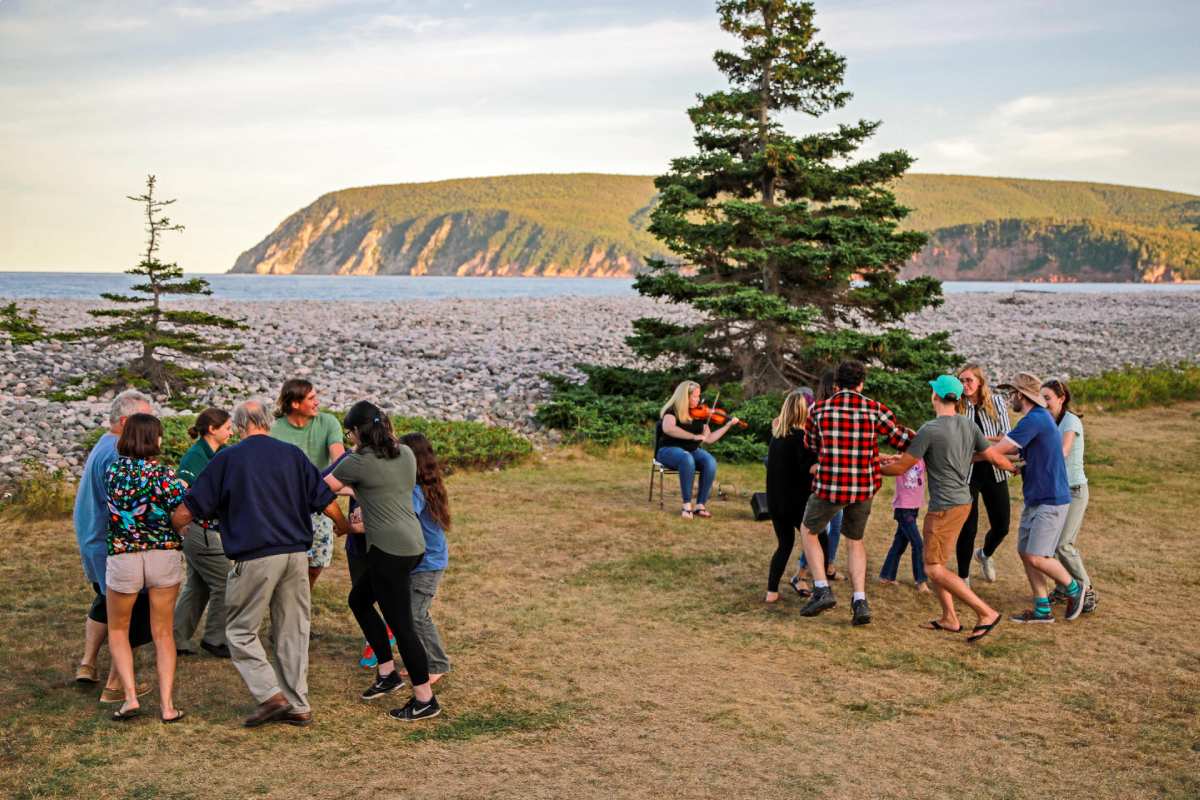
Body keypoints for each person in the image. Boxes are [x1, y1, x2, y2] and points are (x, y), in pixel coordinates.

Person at [172, 399, 351, 728]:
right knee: (292, 629)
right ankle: (298, 704)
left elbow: (190, 508)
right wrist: (342, 526)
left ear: (240, 426)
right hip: (296, 554)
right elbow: (326, 501)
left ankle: (271, 695)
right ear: (268, 422)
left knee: (240, 630)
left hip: (255, 555)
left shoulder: (228, 458)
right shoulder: (292, 455)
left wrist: (174, 522)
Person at [325, 402, 441, 721]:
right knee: (359, 600)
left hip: (387, 550)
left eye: (350, 433)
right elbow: (382, 487)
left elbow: (323, 489)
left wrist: (342, 520)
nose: (349, 439)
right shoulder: (404, 453)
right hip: (412, 544)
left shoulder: (357, 462)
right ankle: (387, 673)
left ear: (358, 431)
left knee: (402, 626)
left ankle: (424, 699)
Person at [882, 376, 1014, 643]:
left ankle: (985, 612)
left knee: (932, 568)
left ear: (935, 396)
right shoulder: (968, 424)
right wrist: (1015, 467)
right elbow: (992, 457)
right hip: (963, 501)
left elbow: (901, 467)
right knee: (937, 561)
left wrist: (863, 466)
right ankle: (950, 618)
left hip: (944, 507)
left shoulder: (930, 429)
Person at [797, 360, 914, 626]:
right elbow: (900, 439)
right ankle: (859, 600)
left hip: (829, 485)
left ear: (836, 384)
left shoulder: (819, 409)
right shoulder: (875, 409)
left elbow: (810, 444)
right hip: (863, 486)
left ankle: (821, 588)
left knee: (809, 530)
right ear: (861, 384)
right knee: (855, 540)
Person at [982, 373, 1086, 624]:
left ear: (1021, 395)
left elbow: (996, 451)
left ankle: (1075, 588)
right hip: (1037, 496)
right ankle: (1042, 609)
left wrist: (960, 452)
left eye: (1011, 394)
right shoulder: (1038, 419)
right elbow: (1018, 453)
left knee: (1038, 556)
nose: (1009, 399)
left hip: (1050, 498)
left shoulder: (1035, 419)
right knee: (1026, 552)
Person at [72, 389, 155, 703]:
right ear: (124, 421)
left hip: (93, 539)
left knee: (103, 604)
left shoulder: (104, 443)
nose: (151, 422)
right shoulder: (118, 453)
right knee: (130, 611)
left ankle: (87, 663)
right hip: (110, 545)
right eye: (145, 417)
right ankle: (116, 684)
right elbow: (126, 507)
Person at [104, 413, 188, 722]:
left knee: (118, 629)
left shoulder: (111, 471)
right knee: (163, 632)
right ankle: (167, 706)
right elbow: (183, 506)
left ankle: (129, 698)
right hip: (162, 553)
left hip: (123, 555)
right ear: (155, 439)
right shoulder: (163, 474)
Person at [270, 378, 346, 588]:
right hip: (286, 505)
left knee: (316, 563)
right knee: (286, 561)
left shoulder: (328, 422)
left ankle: (304, 594)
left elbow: (339, 460)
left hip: (319, 501)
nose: (317, 402)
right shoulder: (275, 429)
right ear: (295, 404)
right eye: (311, 398)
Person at [173, 407, 233, 658]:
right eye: (227, 427)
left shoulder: (219, 452)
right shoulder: (196, 456)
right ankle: (215, 638)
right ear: (212, 429)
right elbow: (181, 491)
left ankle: (176, 638)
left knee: (197, 586)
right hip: (200, 531)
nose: (231, 431)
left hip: (207, 530)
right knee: (226, 582)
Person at [401, 432, 452, 683]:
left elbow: (403, 516)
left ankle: (437, 663)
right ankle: (422, 660)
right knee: (413, 613)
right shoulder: (427, 484)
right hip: (422, 561)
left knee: (416, 614)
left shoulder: (416, 491)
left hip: (428, 564)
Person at [955, 364, 1014, 584]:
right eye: (961, 381)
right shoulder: (957, 405)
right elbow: (957, 441)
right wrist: (990, 439)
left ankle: (985, 554)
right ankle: (963, 575)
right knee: (967, 526)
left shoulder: (996, 402)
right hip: (966, 472)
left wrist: (979, 441)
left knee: (1002, 525)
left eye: (969, 380)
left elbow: (1008, 438)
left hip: (994, 470)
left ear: (980, 381)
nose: (965, 385)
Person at [1042, 378, 1096, 613]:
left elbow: (1062, 451)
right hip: (1056, 491)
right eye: (1040, 398)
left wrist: (1033, 458)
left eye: (1048, 398)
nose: (1043, 403)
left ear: (1061, 399)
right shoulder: (1047, 421)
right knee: (1050, 545)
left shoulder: (1071, 422)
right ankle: (1064, 589)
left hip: (1074, 491)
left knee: (1063, 545)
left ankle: (1088, 590)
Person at [654, 381, 740, 519]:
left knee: (709, 461)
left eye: (699, 396)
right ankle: (686, 506)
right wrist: (693, 436)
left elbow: (709, 439)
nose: (698, 400)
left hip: (692, 451)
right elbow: (668, 429)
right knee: (686, 458)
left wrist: (728, 426)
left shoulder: (699, 416)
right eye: (695, 396)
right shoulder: (672, 411)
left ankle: (700, 505)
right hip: (668, 450)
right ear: (684, 397)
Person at [791, 370, 843, 593]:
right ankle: (801, 573)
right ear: (834, 388)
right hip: (819, 476)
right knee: (820, 525)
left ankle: (829, 564)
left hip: (837, 475)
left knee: (836, 524)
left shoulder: (842, 410)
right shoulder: (818, 411)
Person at [765, 389, 818, 604]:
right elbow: (809, 468)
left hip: (776, 502)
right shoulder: (801, 439)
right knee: (819, 541)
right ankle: (820, 587)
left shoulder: (776, 437)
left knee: (784, 544)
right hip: (796, 503)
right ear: (802, 412)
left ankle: (771, 591)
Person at [878, 458, 929, 593]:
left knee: (899, 543)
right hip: (903, 509)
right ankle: (921, 581)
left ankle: (886, 576)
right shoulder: (900, 461)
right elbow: (883, 463)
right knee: (918, 544)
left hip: (914, 508)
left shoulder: (923, 459)